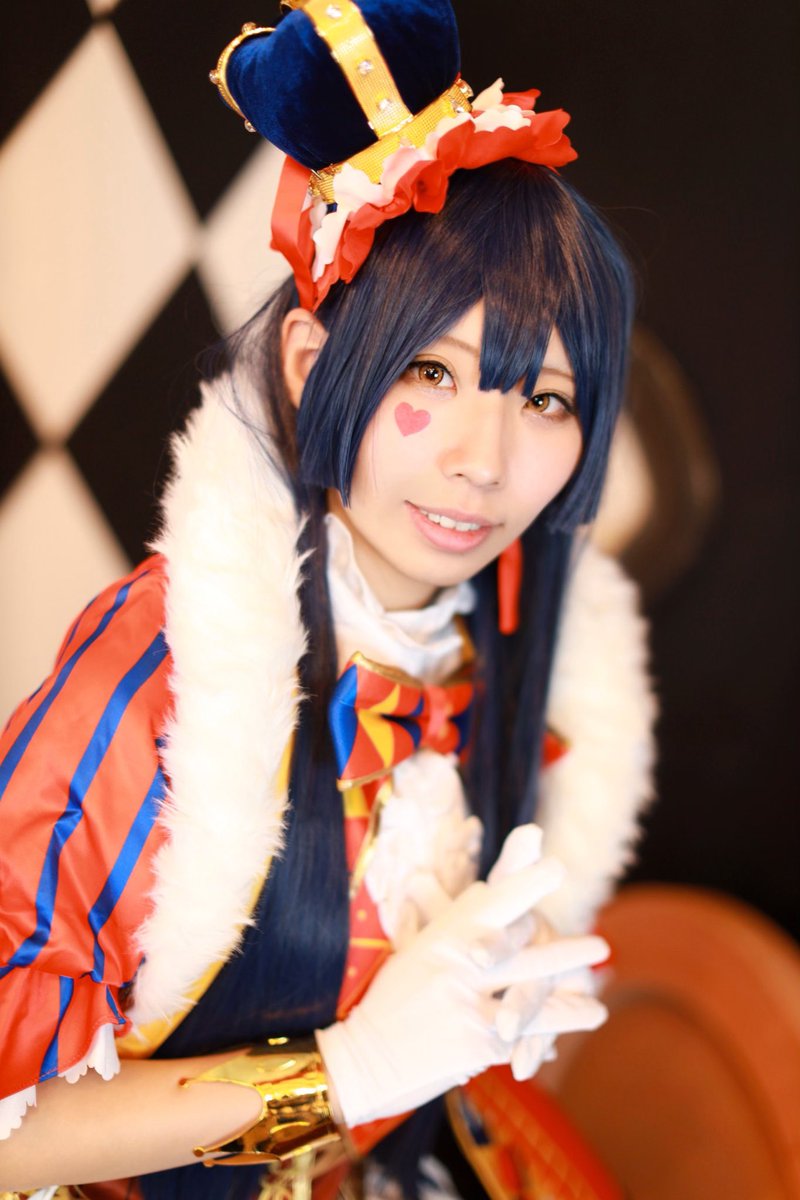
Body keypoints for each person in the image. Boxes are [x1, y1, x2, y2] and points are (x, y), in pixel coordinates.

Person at [0, 1, 654, 1197]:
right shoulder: (162, 675)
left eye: (544, 399)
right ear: (312, 367)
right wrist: (340, 1073)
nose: (482, 461)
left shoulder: (521, 654)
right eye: (430, 372)